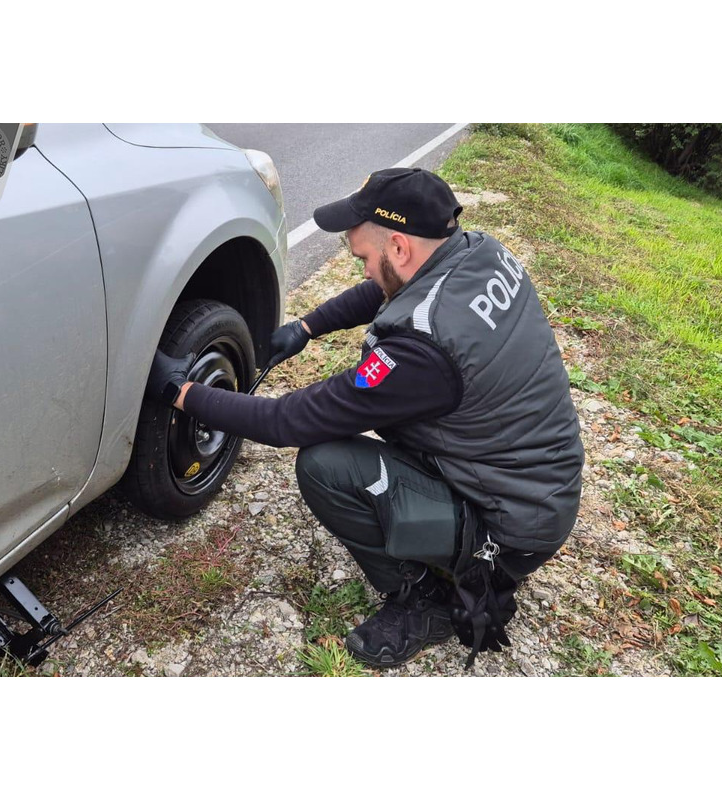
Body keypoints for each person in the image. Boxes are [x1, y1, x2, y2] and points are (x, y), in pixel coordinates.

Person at [146, 167, 584, 668]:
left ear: (399, 246)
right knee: (375, 427)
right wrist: (306, 328)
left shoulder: (422, 351)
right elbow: (386, 289)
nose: (365, 271)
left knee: (325, 465)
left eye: (364, 259)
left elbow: (287, 421)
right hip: (536, 486)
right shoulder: (475, 251)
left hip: (508, 527)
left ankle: (427, 601)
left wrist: (180, 392)